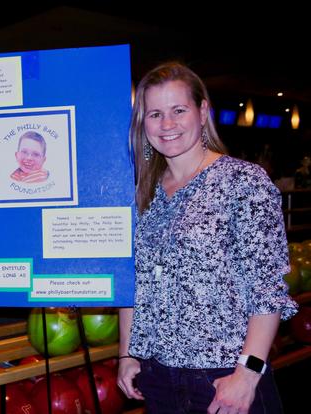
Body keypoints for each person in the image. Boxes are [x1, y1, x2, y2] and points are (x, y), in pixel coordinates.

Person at [117, 62, 298, 413]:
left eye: (178, 110)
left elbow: (267, 289)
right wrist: (127, 354)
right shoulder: (143, 194)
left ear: (202, 112)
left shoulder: (243, 181)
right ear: (143, 122)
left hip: (224, 377)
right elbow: (133, 282)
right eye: (155, 114)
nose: (167, 124)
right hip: (157, 377)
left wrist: (247, 374)